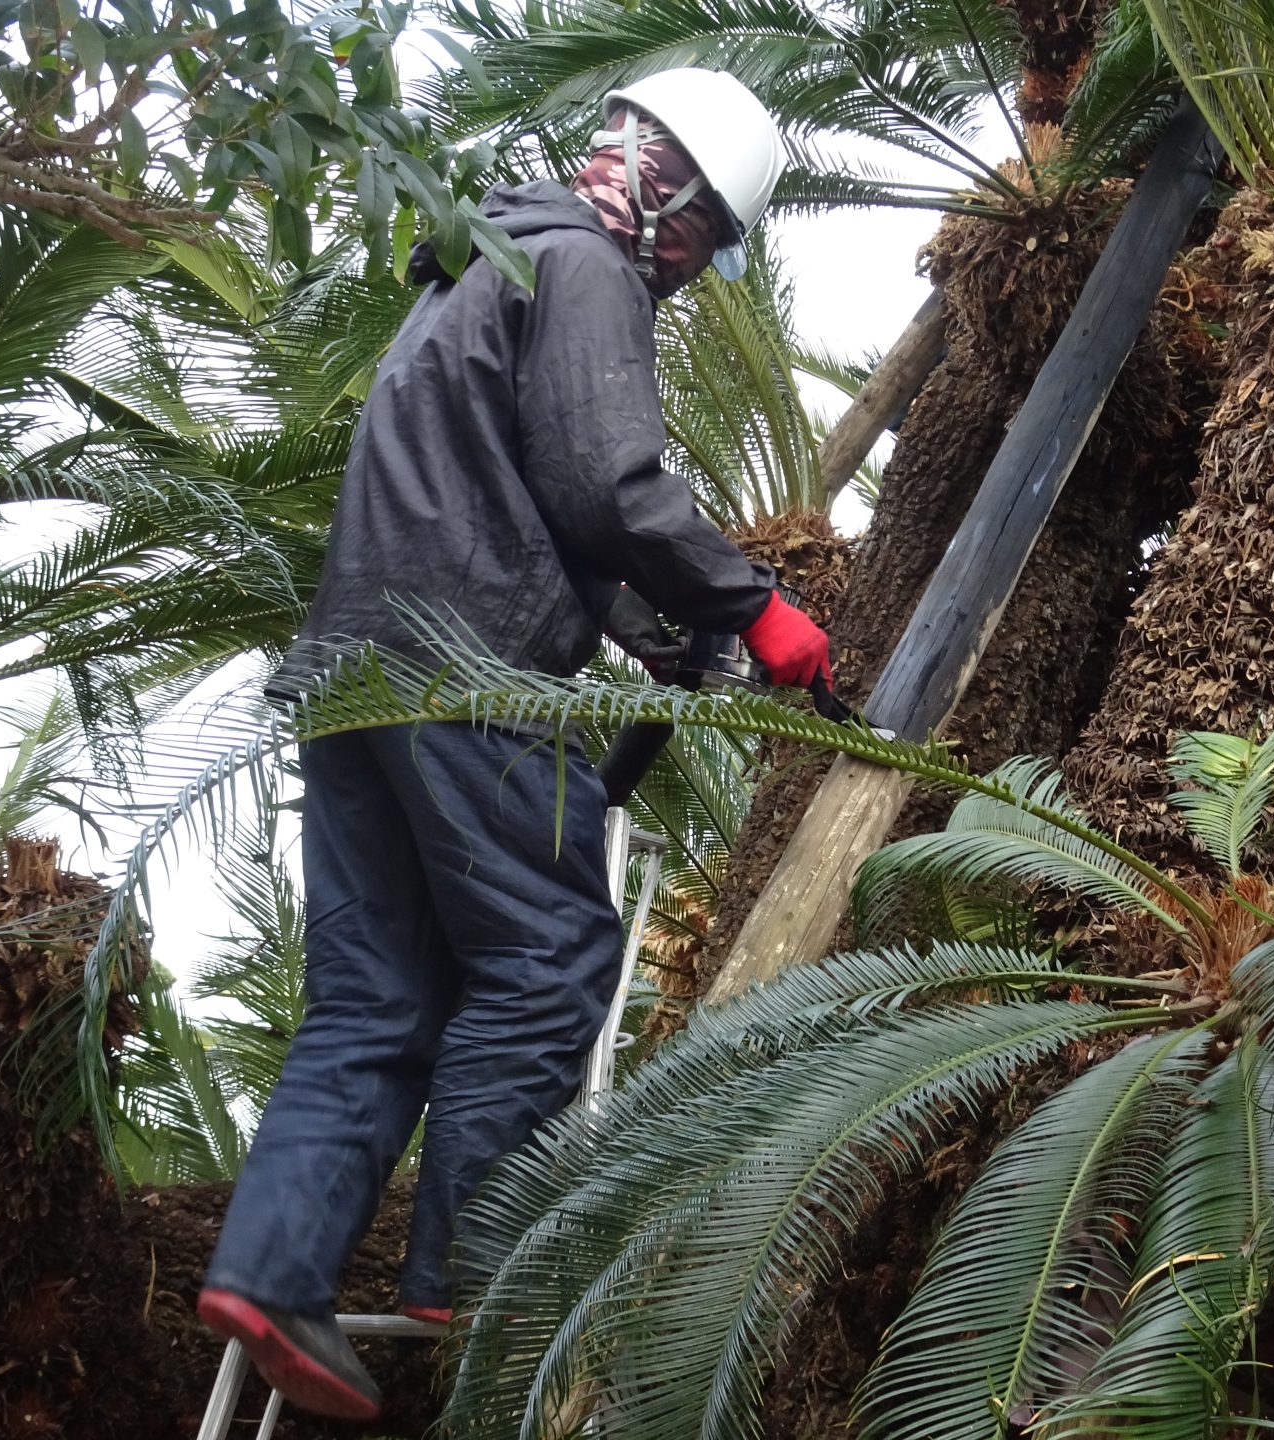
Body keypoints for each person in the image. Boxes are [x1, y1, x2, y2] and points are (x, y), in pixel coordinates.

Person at [194, 68, 833, 1422]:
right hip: (466, 674)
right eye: (704, 236)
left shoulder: (482, 263)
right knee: (550, 958)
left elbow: (512, 486)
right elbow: (607, 483)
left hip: (356, 677)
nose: (692, 269)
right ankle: (473, 1276)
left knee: (375, 998)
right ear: (666, 185)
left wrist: (650, 630)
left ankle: (270, 1275)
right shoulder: (589, 267)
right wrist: (755, 607)